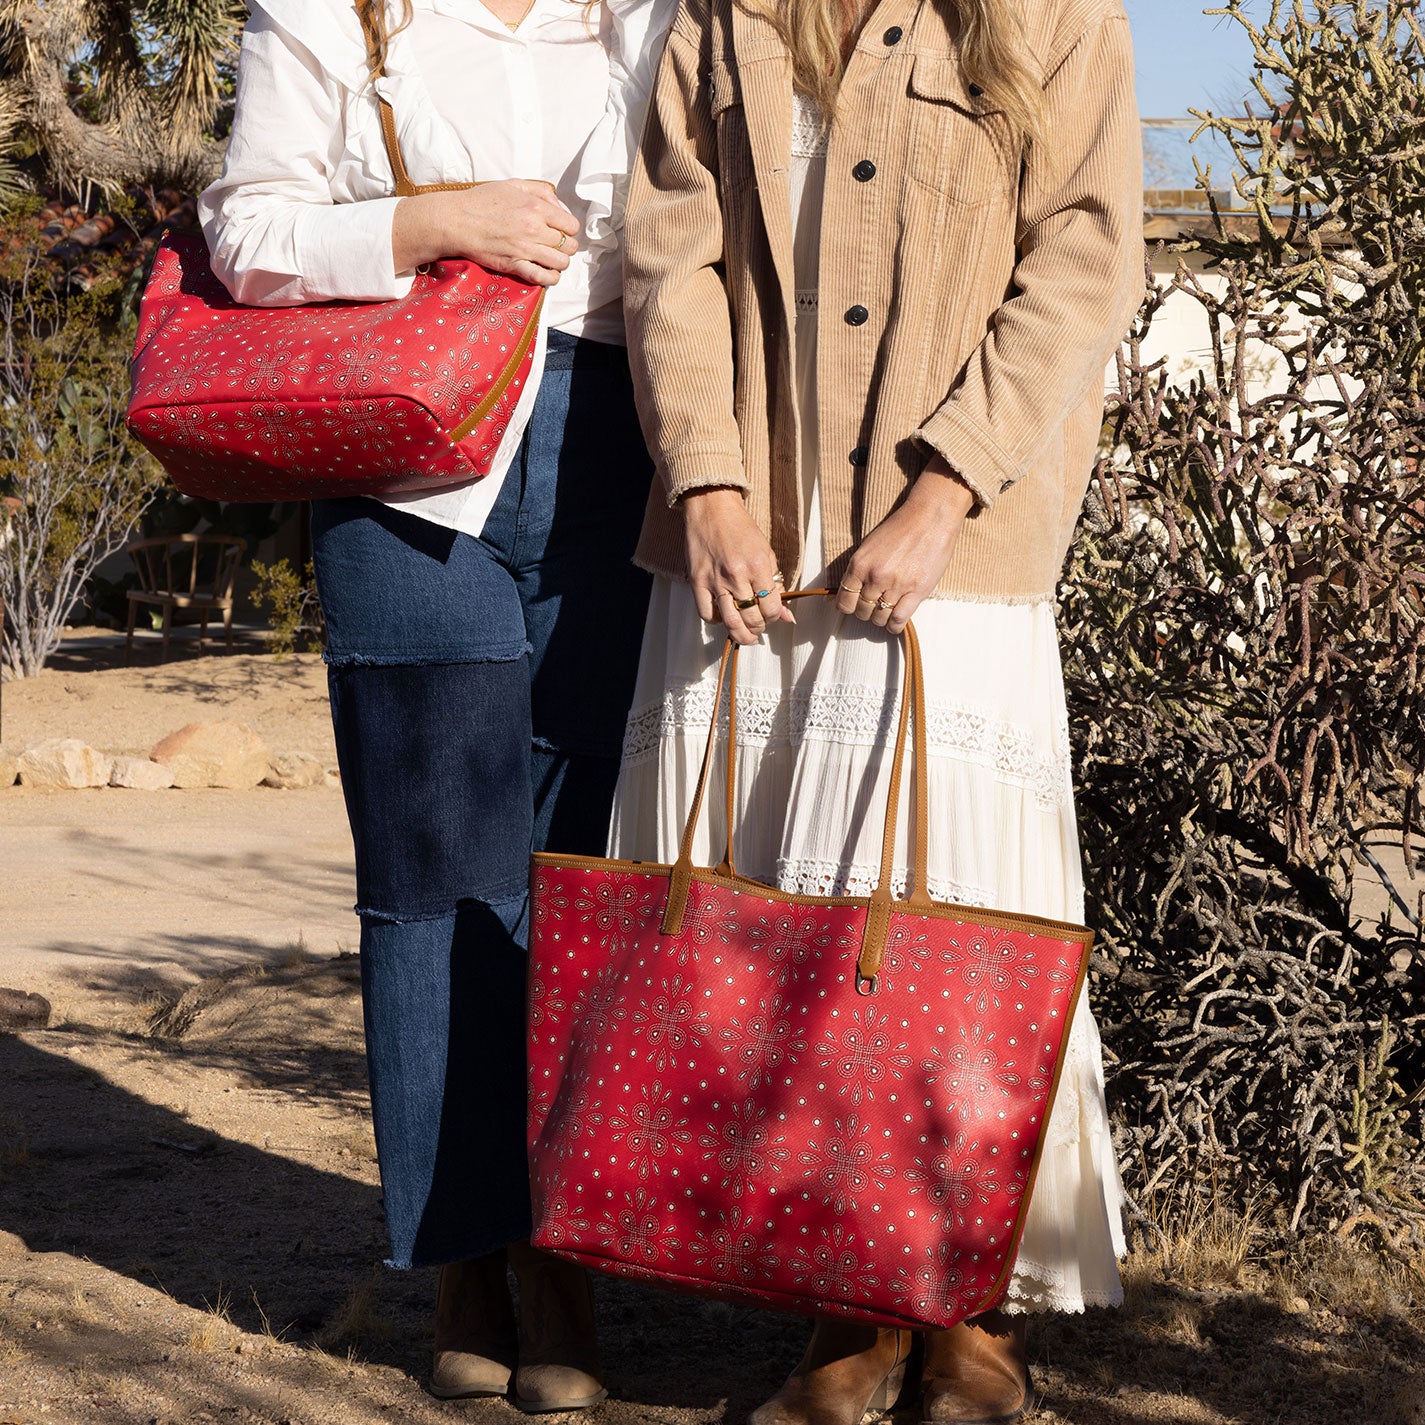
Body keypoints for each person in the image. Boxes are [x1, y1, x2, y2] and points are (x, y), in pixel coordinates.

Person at [610, 0, 1144, 1420]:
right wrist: (707, 480)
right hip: (755, 546)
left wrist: (943, 491)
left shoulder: (1054, 13)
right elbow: (669, 251)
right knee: (791, 939)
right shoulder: (718, 14)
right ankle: (845, 1303)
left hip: (949, 546)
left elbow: (1085, 257)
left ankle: (963, 1301)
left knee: (949, 925)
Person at [199, 0, 671, 1408]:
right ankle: (466, 1255)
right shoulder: (330, 9)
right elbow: (247, 229)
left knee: (579, 866)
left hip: (621, 444)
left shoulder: (656, 12)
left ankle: (562, 1259)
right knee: (435, 871)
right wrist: (436, 221)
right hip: (407, 451)